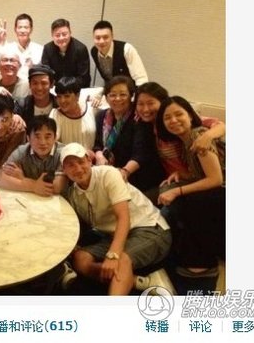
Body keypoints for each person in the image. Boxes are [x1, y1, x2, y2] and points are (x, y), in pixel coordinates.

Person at [60, 142, 171, 295]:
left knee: (121, 260)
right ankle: (140, 281)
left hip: (151, 228)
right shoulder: (73, 194)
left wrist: (113, 255)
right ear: (64, 170)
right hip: (115, 235)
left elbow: (123, 216)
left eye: (81, 162)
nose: (78, 169)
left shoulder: (108, 174)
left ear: (89, 160)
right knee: (80, 259)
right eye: (71, 165)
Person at [155, 96, 225, 293]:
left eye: (179, 114)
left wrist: (177, 191)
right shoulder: (186, 141)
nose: (173, 120)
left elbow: (216, 179)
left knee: (191, 202)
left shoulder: (198, 136)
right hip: (218, 189)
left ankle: (200, 265)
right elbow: (202, 173)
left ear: (190, 116)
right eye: (167, 117)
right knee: (176, 199)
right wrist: (182, 175)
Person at [134, 82, 226, 177]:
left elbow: (221, 126)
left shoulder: (180, 121)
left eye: (150, 103)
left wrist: (207, 137)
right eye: (140, 104)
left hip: (198, 178)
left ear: (162, 102)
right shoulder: (142, 125)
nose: (145, 109)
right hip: (177, 177)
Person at [93, 76, 162, 193]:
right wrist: (99, 155)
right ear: (106, 97)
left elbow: (141, 153)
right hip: (110, 173)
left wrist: (124, 172)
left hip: (137, 177)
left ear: (131, 96)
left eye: (123, 94)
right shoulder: (101, 116)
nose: (117, 98)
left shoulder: (138, 118)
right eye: (112, 95)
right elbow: (97, 144)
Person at [0, 116, 67, 196]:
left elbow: (57, 187)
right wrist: (34, 186)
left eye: (47, 137)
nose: (43, 142)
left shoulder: (63, 153)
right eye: (37, 137)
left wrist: (22, 179)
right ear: (28, 138)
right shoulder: (22, 151)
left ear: (55, 138)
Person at [91, 20, 148, 86]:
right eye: (97, 38)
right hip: (112, 90)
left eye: (105, 37)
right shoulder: (94, 51)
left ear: (112, 37)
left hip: (130, 89)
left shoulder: (127, 49)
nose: (101, 41)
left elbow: (141, 79)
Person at [0, 13, 43, 79]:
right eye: (20, 27)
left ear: (31, 29)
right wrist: (0, 42)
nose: (22, 31)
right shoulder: (8, 48)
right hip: (11, 83)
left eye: (26, 27)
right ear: (15, 29)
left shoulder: (40, 49)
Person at [49, 76, 97, 150]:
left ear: (77, 95)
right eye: (59, 96)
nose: (62, 101)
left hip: (93, 156)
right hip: (66, 156)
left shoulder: (92, 108)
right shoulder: (55, 114)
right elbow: (52, 142)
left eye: (67, 96)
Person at [41, 18, 91, 88]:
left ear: (70, 33)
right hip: (54, 88)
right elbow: (46, 73)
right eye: (57, 35)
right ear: (52, 35)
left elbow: (83, 77)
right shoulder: (47, 48)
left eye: (64, 34)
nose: (61, 38)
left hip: (75, 88)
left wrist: (65, 88)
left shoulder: (80, 49)